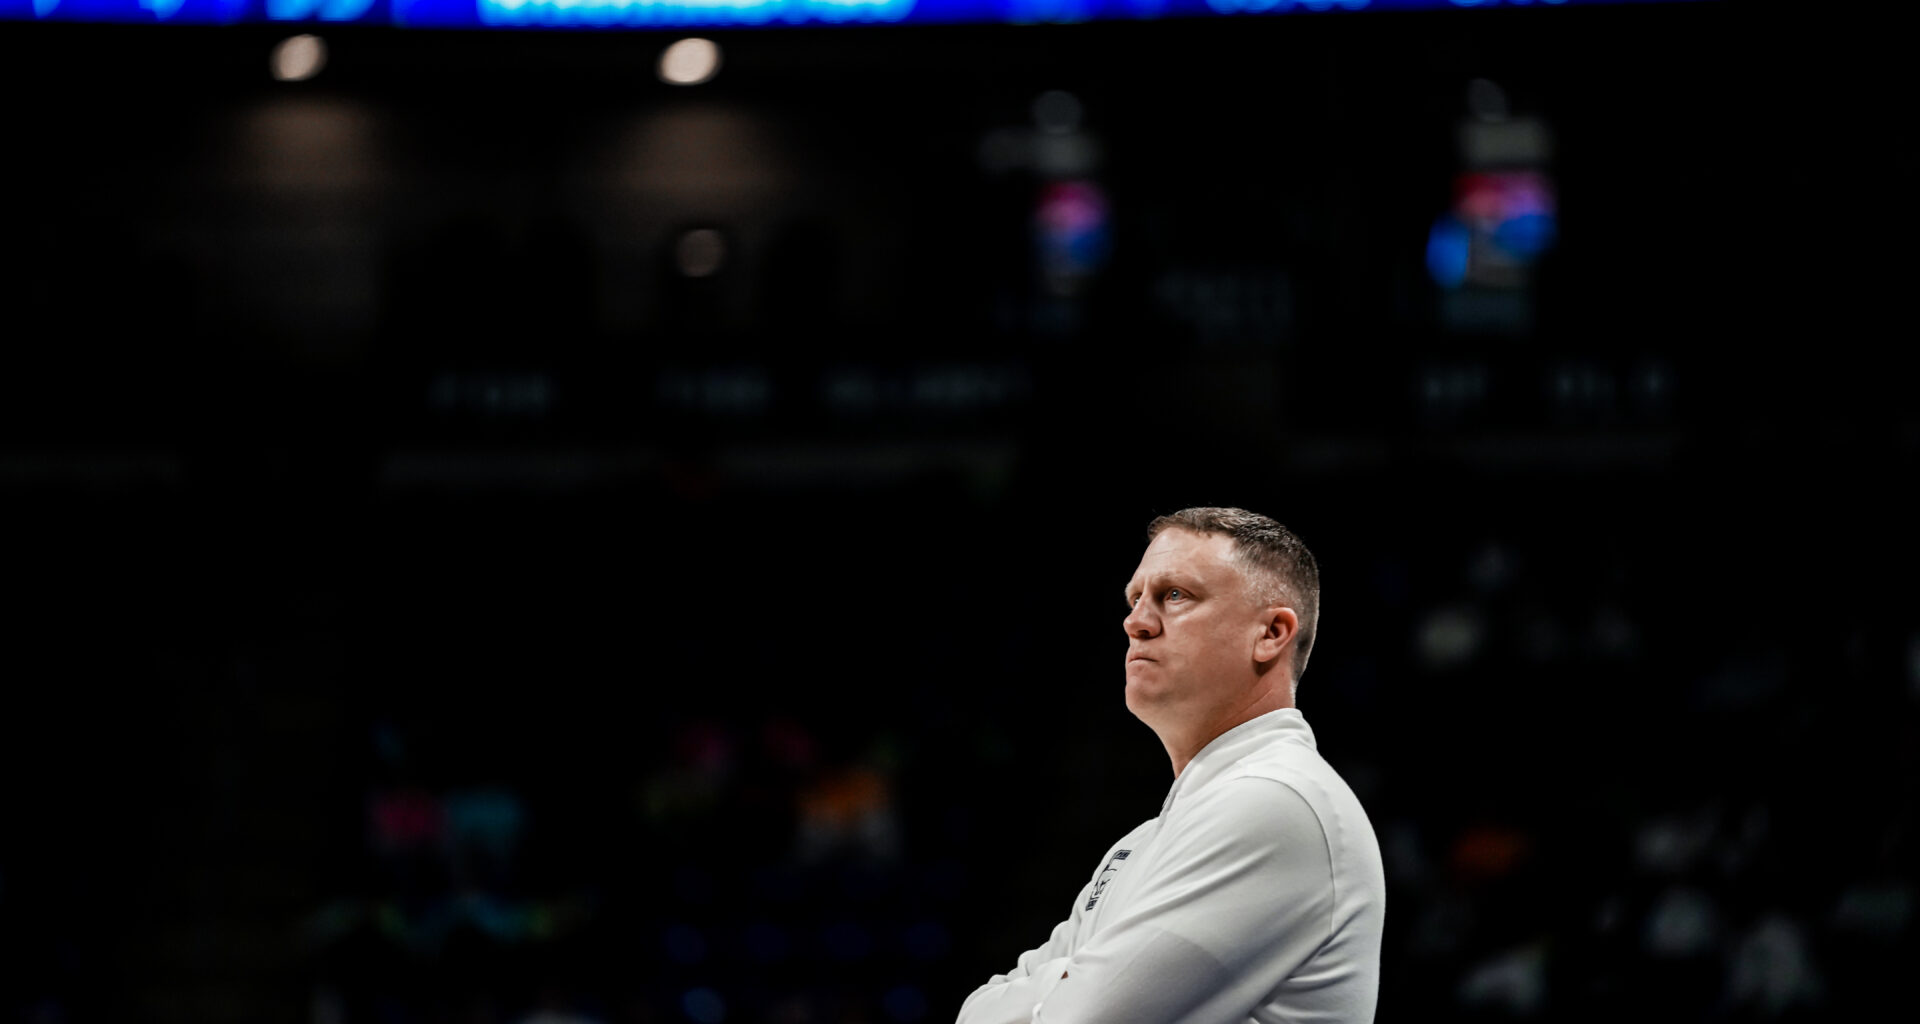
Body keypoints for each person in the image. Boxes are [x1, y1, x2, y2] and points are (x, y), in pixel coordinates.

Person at [956, 507, 1385, 1024]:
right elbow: (973, 1013)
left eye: (1175, 595)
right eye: (1135, 598)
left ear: (1271, 633)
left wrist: (1064, 982)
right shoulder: (1141, 843)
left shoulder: (1277, 801)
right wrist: (1070, 983)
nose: (1135, 622)